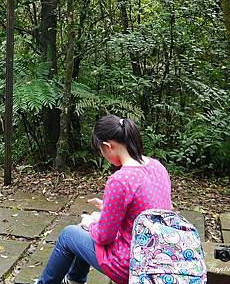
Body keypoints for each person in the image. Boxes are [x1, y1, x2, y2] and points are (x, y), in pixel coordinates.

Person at [37, 115, 173, 284]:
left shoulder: (121, 180)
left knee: (69, 234)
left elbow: (104, 237)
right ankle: (73, 280)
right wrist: (108, 208)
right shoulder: (157, 166)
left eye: (101, 150)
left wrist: (91, 224)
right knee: (86, 230)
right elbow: (154, 208)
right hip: (159, 255)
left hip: (132, 264)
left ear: (108, 146)